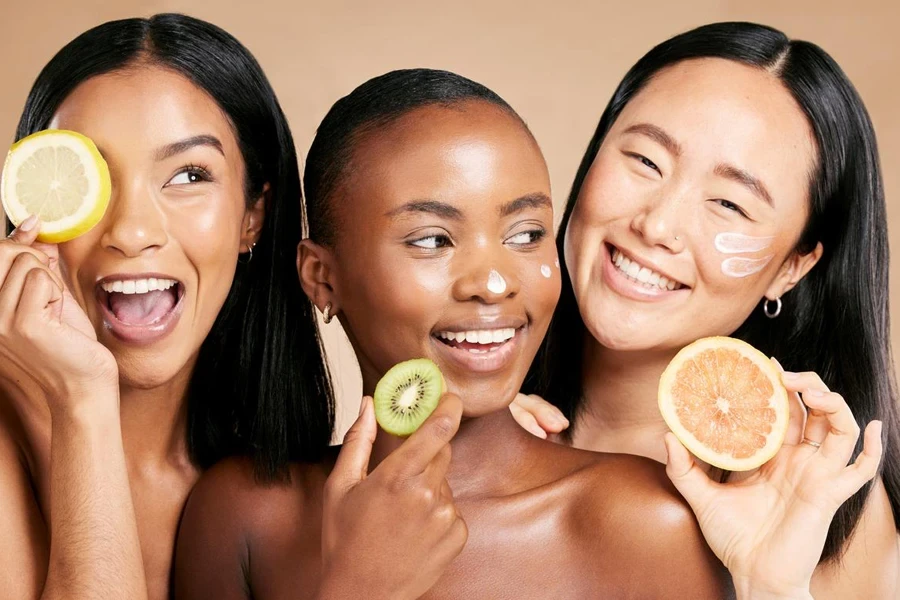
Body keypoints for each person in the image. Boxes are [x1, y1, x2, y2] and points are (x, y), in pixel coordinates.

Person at [175, 67, 880, 600]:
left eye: (525, 233)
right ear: (321, 278)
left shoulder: (642, 521)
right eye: (429, 239)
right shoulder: (242, 513)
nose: (492, 281)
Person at [0, 15, 466, 599]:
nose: (132, 230)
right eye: (92, 179)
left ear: (253, 216)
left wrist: (488, 438)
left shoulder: (276, 486)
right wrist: (82, 404)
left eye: (188, 175)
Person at [516, 21, 900, 597]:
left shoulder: (824, 508)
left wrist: (769, 584)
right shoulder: (458, 424)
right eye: (646, 161)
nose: (657, 224)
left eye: (729, 203)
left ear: (793, 266)